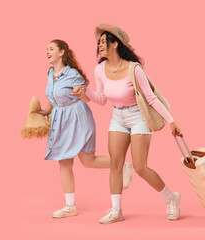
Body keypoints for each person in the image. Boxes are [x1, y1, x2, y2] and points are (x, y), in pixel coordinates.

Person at [73, 24, 182, 224]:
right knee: (116, 164)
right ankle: (116, 211)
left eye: (104, 41)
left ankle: (170, 197)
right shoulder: (100, 69)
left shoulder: (134, 69)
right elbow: (102, 99)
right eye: (98, 42)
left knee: (140, 167)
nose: (99, 45)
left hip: (138, 117)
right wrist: (85, 93)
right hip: (117, 117)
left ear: (115, 44)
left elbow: (151, 98)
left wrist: (171, 121)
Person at [38, 39, 132, 219]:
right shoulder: (50, 73)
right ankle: (70, 206)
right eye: (46, 49)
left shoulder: (72, 74)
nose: (47, 52)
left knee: (87, 161)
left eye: (51, 49)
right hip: (60, 121)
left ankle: (121, 165)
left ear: (62, 52)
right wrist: (46, 110)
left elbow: (86, 96)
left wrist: (81, 92)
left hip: (77, 119)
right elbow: (53, 96)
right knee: (64, 162)